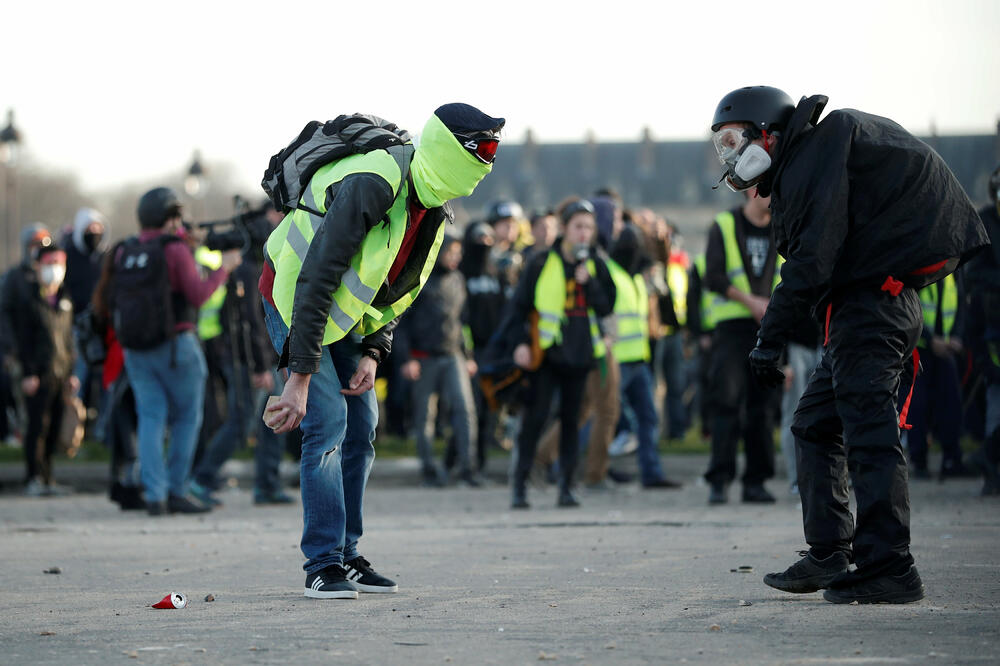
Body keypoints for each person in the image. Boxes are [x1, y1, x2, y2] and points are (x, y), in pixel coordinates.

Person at [708, 86, 988, 604]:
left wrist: (769, 339)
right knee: (814, 423)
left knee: (868, 431)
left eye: (731, 140)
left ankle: (891, 566)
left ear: (766, 134)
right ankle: (830, 550)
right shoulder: (812, 158)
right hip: (864, 308)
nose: (726, 155)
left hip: (872, 309)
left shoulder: (814, 156)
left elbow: (811, 261)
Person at [259, 103, 503, 599]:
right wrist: (300, 376)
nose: (487, 162)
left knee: (363, 425)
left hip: (344, 319)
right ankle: (322, 563)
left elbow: (398, 289)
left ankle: (348, 555)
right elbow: (315, 278)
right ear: (448, 147)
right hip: (293, 296)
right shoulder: (375, 181)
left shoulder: (433, 206)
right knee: (326, 423)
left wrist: (374, 350)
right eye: (482, 149)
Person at [114, 187, 242, 516]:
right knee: (187, 418)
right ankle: (176, 490)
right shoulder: (175, 250)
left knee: (151, 418)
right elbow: (198, 295)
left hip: (136, 349)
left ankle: (154, 495)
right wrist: (223, 268)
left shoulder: (125, 250)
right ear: (171, 218)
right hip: (176, 346)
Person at [498, 198, 616, 509]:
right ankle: (520, 486)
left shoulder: (595, 264)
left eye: (588, 228)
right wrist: (520, 343)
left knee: (570, 421)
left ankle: (567, 486)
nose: (583, 234)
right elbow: (518, 309)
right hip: (547, 354)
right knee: (534, 420)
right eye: (578, 226)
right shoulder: (540, 263)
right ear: (564, 228)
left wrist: (588, 284)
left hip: (580, 355)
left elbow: (607, 306)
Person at [702, 186, 782, 505]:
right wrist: (750, 302)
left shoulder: (782, 227)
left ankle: (756, 482)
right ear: (752, 190)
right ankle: (719, 480)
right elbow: (714, 277)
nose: (778, 196)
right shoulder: (724, 224)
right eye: (772, 190)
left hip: (769, 328)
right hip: (732, 329)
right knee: (727, 403)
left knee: (762, 408)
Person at [396, 233, 481, 487]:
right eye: (450, 252)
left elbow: (462, 321)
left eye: (458, 253)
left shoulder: (458, 279)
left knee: (465, 411)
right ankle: (429, 470)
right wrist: (406, 358)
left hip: (453, 355)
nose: (454, 258)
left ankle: (467, 468)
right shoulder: (418, 277)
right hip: (422, 358)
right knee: (425, 417)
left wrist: (468, 356)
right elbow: (401, 325)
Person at [2, 240, 76, 496]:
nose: (55, 269)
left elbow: (67, 339)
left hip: (60, 371)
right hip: (37, 373)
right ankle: (33, 477)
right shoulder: (29, 299)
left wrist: (71, 372)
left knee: (55, 426)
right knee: (36, 427)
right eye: (49, 264)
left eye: (59, 263)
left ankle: (48, 478)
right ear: (38, 266)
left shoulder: (65, 300)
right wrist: (28, 373)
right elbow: (24, 340)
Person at [966, 163, 1000, 495]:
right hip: (992, 328)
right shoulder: (985, 222)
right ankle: (990, 469)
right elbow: (973, 273)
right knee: (995, 398)